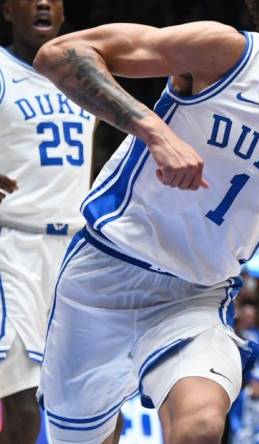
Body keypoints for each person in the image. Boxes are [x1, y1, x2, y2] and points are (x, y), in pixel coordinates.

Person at [31, 0, 259, 442]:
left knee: (200, 425)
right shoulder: (222, 54)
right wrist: (154, 131)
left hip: (196, 298)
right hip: (102, 277)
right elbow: (58, 54)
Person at [0, 0, 96, 441]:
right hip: (12, 248)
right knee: (22, 404)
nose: (43, 3)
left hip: (76, 250)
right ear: (6, 10)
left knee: (96, 399)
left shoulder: (87, 74)